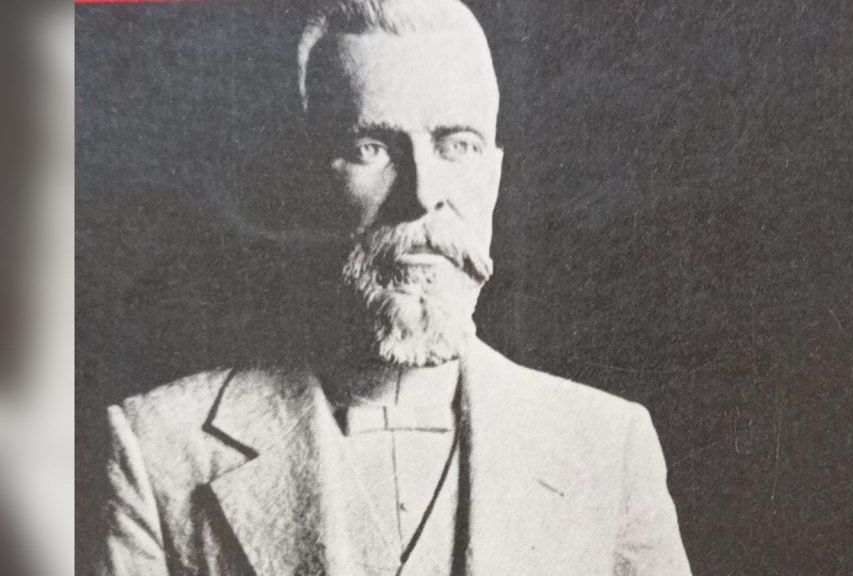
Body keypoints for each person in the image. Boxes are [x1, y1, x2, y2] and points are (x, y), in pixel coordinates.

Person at [98, 0, 692, 574]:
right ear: (306, 178)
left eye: (458, 145)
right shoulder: (159, 449)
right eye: (372, 148)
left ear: (493, 176)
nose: (422, 194)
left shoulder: (608, 447)